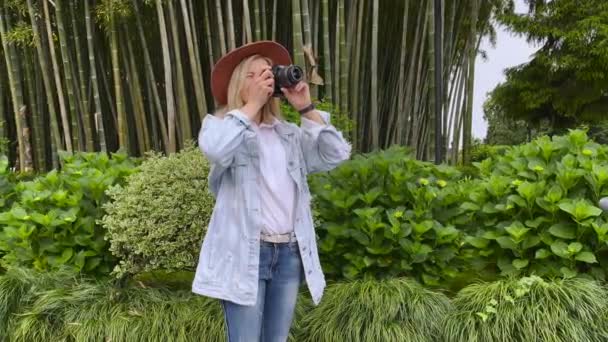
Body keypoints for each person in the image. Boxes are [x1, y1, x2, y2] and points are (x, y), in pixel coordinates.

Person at [192, 40, 352, 342]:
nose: (262, 79)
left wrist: (305, 107)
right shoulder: (220, 126)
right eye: (251, 75)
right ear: (238, 84)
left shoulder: (288, 135)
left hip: (288, 254)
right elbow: (215, 149)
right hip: (246, 254)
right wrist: (250, 106)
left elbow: (336, 154)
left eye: (267, 73)